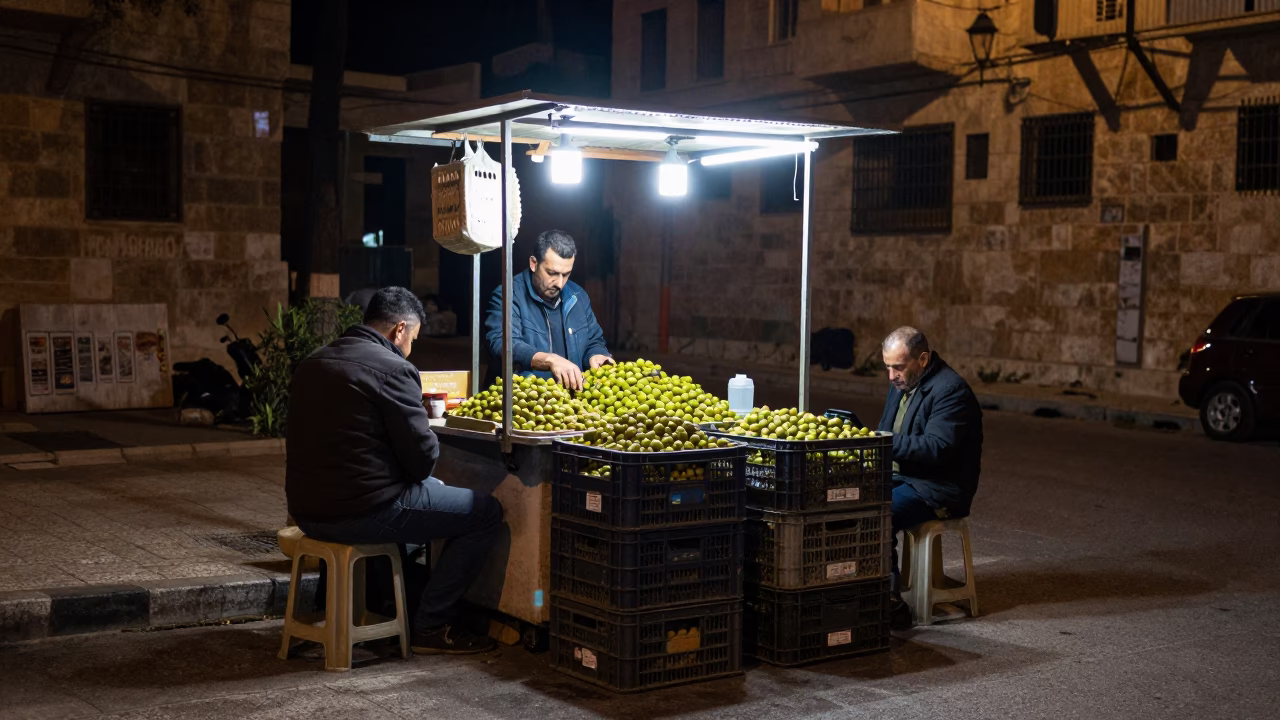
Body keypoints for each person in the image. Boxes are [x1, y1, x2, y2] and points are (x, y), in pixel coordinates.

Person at [285, 287, 503, 654]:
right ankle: (432, 625)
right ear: (399, 329)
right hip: (362, 511)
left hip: (307, 511)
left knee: (427, 494)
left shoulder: (314, 362)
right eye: (413, 339)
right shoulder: (395, 369)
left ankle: (389, 606)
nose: (412, 349)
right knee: (484, 512)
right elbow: (421, 459)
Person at [877, 326, 983, 630]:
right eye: (887, 367)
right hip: (904, 479)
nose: (891, 375)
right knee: (851, 505)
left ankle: (891, 605)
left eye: (898, 367)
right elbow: (887, 430)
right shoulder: (902, 385)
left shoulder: (951, 391)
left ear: (922, 359)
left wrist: (884, 440)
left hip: (938, 488)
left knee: (880, 515)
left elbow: (938, 448)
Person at [484, 229, 613, 391]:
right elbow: (501, 343)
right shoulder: (508, 295)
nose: (559, 283)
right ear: (533, 263)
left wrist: (597, 355)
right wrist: (549, 360)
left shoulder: (578, 296)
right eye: (552, 273)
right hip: (525, 402)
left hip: (570, 405)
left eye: (566, 274)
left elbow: (594, 340)